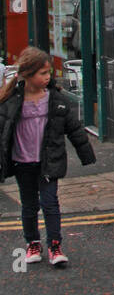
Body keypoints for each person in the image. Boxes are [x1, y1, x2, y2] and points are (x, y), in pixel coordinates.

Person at [0, 46, 96, 268]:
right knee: (29, 205)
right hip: (22, 161)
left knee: (50, 203)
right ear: (28, 74)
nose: (47, 77)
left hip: (48, 161)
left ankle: (55, 245)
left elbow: (74, 129)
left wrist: (86, 154)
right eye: (42, 73)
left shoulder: (55, 99)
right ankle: (33, 243)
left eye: (48, 73)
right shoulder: (12, 100)